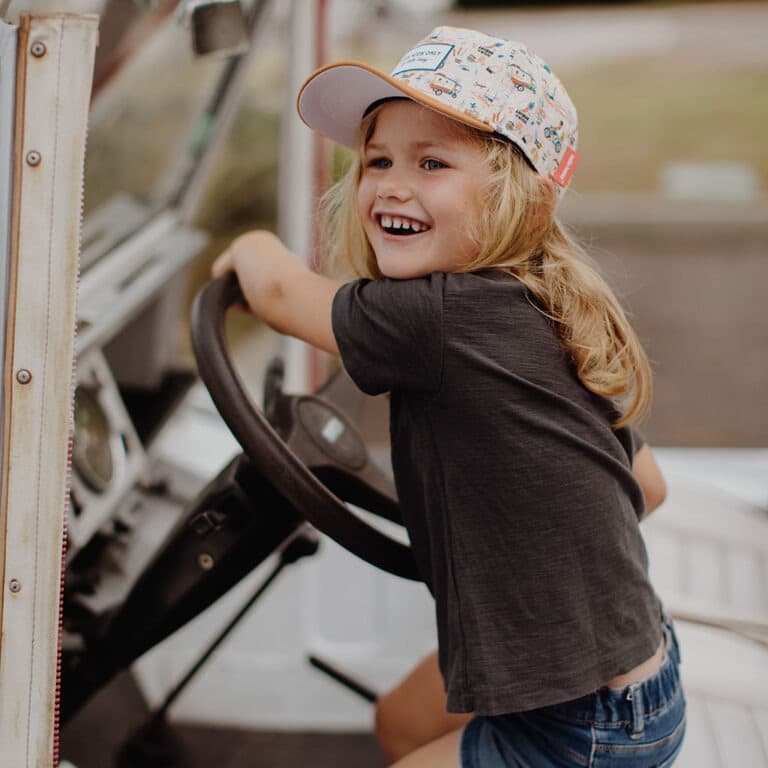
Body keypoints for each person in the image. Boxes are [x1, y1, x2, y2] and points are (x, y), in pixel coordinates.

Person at [212, 26, 686, 768]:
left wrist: (242, 248)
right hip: (641, 674)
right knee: (402, 721)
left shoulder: (436, 317)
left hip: (580, 726)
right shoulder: (543, 303)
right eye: (377, 160)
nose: (392, 184)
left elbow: (274, 288)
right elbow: (646, 486)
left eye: (432, 162)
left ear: (522, 199)